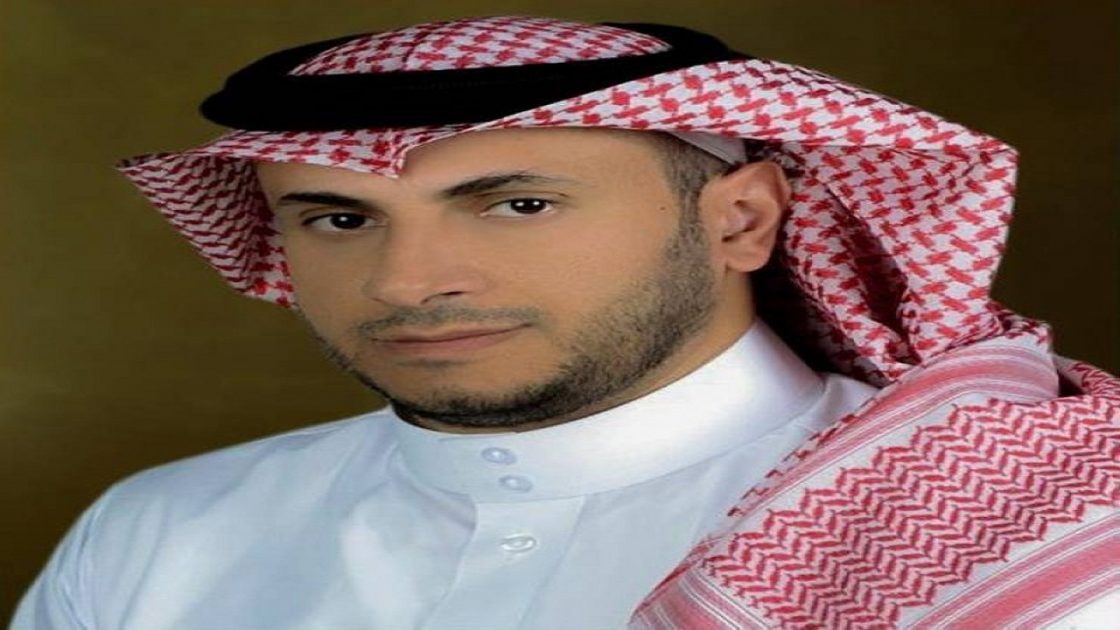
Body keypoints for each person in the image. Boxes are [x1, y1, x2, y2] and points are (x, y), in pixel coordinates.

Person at [12, 16, 1118, 630]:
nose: (407, 282)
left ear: (740, 220)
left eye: (517, 204)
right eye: (341, 218)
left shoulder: (1053, 529)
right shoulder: (162, 531)